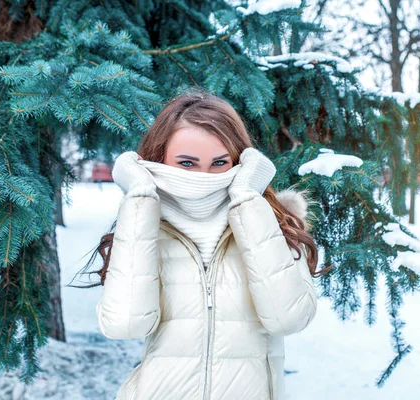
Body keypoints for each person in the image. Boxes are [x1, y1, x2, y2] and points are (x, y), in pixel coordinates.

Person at [93, 90, 331, 400]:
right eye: (187, 164)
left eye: (219, 163)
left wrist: (247, 200)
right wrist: (140, 199)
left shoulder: (275, 228)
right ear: (160, 157)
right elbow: (124, 325)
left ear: (239, 162)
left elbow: (288, 318)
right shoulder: (144, 228)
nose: (203, 177)